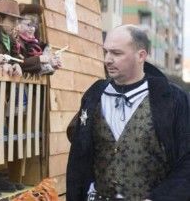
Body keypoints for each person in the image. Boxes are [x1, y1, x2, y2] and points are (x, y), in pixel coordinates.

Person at [66, 25, 190, 201]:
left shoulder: (172, 100)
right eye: (106, 52)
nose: (108, 59)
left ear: (141, 56)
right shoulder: (94, 95)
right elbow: (78, 157)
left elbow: (186, 162)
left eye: (116, 53)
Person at [13, 3, 62, 75]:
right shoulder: (14, 41)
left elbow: (36, 70)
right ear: (18, 23)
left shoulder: (36, 45)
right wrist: (40, 59)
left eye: (34, 25)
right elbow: (17, 63)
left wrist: (51, 64)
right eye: (29, 24)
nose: (32, 28)